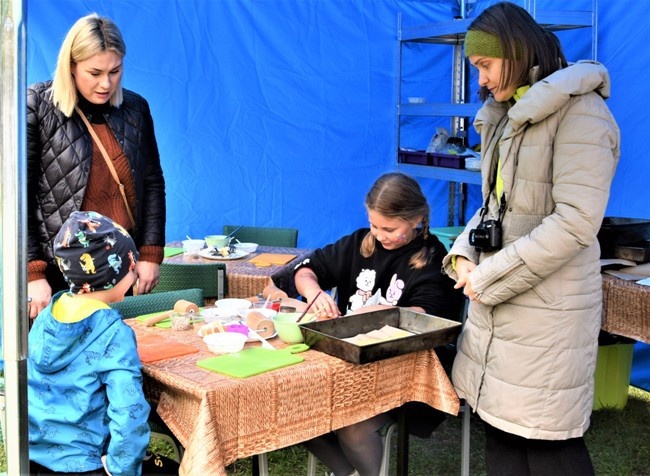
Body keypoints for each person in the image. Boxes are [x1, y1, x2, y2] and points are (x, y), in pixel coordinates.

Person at [442, 3, 620, 475]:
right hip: (500, 304)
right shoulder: (506, 115)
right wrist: (462, 256)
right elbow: (493, 206)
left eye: (484, 65)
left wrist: (490, 276)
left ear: (516, 52)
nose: (479, 80)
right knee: (500, 434)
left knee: (547, 444)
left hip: (548, 313)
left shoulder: (583, 114)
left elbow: (576, 222)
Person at [294, 172, 462, 476]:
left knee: (353, 428)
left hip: (404, 371)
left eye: (389, 228)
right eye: (374, 224)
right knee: (296, 408)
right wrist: (314, 293)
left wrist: (384, 314)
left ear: (417, 219)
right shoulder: (358, 243)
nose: (380, 234)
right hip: (348, 365)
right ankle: (350, 472)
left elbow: (427, 317)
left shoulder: (436, 259)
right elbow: (305, 270)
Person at [27, 13, 166, 320]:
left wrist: (152, 252)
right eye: (95, 72)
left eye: (115, 71)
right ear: (71, 66)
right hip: (58, 278)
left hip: (121, 274)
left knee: (123, 360)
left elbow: (152, 182)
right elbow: (15, 197)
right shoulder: (37, 105)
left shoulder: (135, 108)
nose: (106, 83)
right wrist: (32, 272)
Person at [28, 211, 151, 475]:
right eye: (132, 266)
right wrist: (121, 467)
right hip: (87, 463)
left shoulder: (46, 317)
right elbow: (129, 409)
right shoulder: (113, 334)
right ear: (114, 274)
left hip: (35, 457)